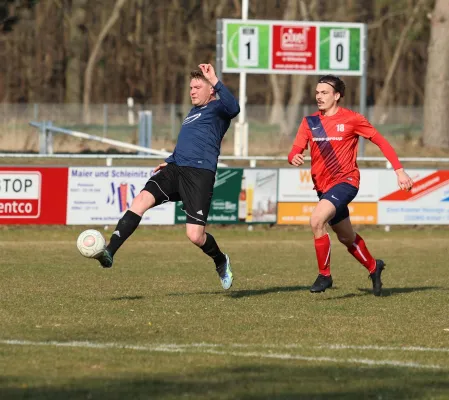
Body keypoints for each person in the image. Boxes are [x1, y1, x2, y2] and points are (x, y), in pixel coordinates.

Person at [94, 63, 240, 290]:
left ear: (210, 89)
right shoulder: (193, 112)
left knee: (195, 235)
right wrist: (170, 159)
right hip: (175, 168)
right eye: (190, 87)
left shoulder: (219, 109)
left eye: (197, 87)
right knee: (140, 200)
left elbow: (235, 108)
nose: (191, 91)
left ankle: (220, 260)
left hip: (199, 174)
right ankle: (110, 251)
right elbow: (189, 142)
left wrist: (215, 80)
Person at [288, 75, 413, 296]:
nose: (319, 96)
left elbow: (381, 141)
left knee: (317, 220)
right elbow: (295, 150)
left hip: (346, 182)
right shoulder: (310, 122)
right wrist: (294, 156)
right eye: (317, 92)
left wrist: (399, 170)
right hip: (323, 188)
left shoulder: (352, 119)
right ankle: (375, 267)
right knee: (346, 237)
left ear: (337, 96)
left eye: (324, 92)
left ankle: (324, 275)